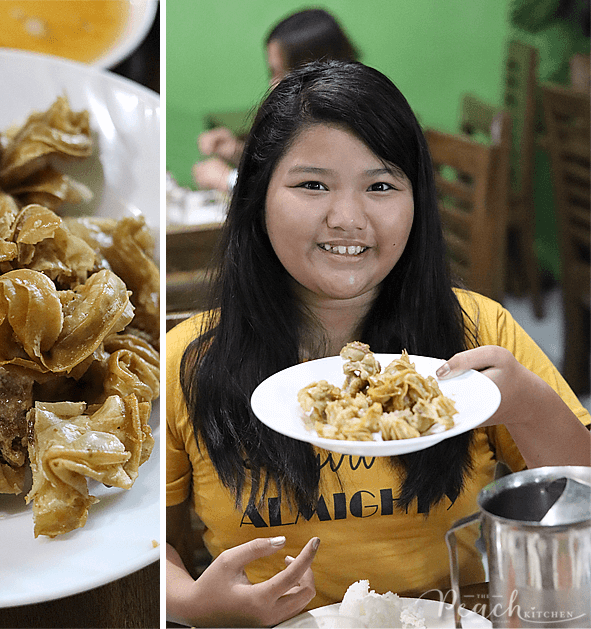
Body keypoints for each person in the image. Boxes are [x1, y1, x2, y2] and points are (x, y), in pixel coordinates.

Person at [166, 60, 591, 628]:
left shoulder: (479, 333)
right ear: (258, 198)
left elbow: (585, 499)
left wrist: (528, 405)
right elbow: (151, 543)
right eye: (312, 184)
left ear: (418, 201)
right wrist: (188, 601)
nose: (347, 217)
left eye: (381, 185)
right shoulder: (187, 360)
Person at [192, 7, 359, 192]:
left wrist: (230, 180)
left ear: (319, 68)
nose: (273, 84)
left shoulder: (346, 121)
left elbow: (311, 189)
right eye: (272, 72)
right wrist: (237, 152)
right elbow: (283, 166)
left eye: (283, 73)